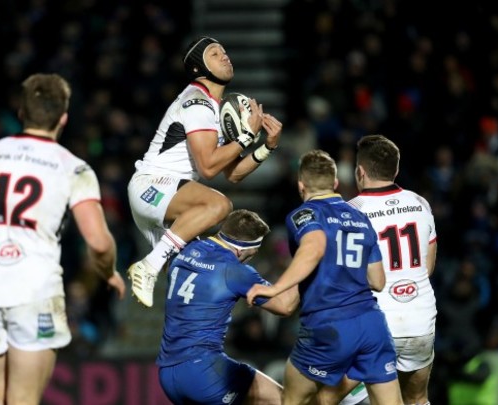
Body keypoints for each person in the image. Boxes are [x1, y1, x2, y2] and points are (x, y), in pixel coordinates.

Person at [0, 73, 126, 405]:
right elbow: (100, 242)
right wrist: (108, 273)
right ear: (63, 118)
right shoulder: (73, 169)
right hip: (35, 292)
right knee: (22, 400)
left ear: (21, 112)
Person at [127, 35, 284, 308]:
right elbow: (208, 167)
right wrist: (246, 135)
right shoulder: (197, 102)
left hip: (166, 197)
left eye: (224, 51)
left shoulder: (214, 107)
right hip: (153, 186)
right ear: (199, 67)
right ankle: (148, 265)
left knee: (193, 271)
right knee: (219, 205)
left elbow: (233, 173)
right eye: (214, 53)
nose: (225, 56)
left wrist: (266, 147)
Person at [246, 149, 403, 405]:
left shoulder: (304, 214)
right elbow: (378, 281)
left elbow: (314, 247)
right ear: (336, 183)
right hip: (372, 325)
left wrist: (275, 289)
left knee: (293, 399)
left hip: (329, 324)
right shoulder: (361, 217)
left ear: (300, 185)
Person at [157, 209, 300, 404]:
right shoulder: (235, 271)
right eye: (251, 254)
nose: (249, 259)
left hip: (167, 373)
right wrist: (307, 260)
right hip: (203, 371)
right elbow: (285, 306)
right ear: (240, 251)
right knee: (287, 400)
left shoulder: (186, 248)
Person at [348, 134, 437, 405]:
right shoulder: (420, 203)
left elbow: (347, 277)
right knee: (417, 399)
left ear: (360, 171)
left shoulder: (351, 211)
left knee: (335, 398)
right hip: (420, 319)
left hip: (377, 324)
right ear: (395, 170)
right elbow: (428, 266)